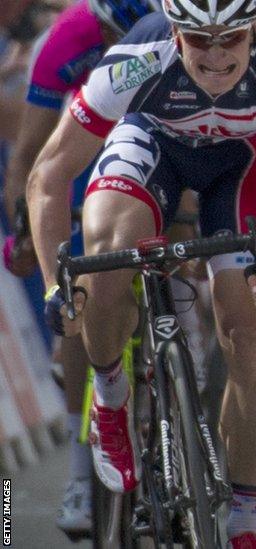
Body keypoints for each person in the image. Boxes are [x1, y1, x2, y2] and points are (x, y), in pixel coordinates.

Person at [26, 0, 256, 546]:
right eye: (200, 39)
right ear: (176, 32)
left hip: (243, 162)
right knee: (105, 255)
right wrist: (56, 284)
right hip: (154, 145)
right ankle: (109, 397)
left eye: (232, 38)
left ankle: (245, 522)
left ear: (253, 29)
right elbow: (50, 174)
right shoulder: (138, 57)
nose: (218, 55)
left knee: (248, 326)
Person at [2, 0, 159, 537]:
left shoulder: (180, 34)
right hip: (89, 154)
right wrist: (25, 229)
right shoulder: (69, 38)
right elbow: (29, 158)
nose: (125, 45)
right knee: (79, 293)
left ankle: (187, 360)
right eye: (117, 33)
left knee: (183, 244)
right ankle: (77, 468)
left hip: (166, 145)